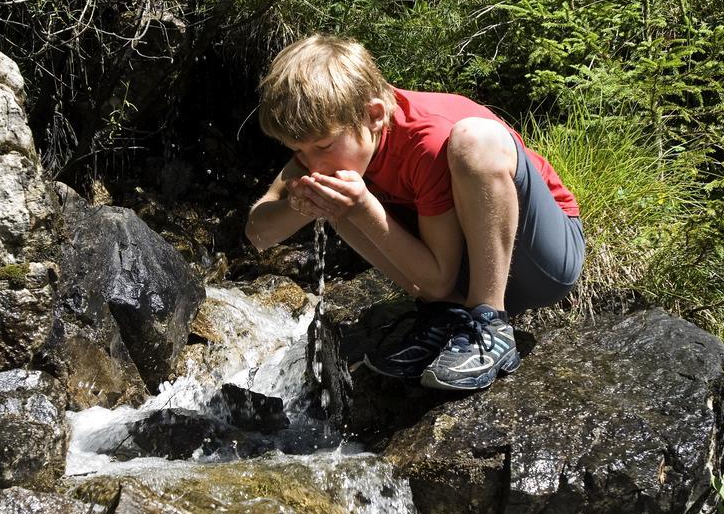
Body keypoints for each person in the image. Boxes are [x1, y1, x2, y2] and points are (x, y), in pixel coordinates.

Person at [245, 34, 585, 391]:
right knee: (339, 205)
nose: (313, 162)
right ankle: (448, 315)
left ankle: (488, 322)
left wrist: (363, 207)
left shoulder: (424, 139)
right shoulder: (326, 139)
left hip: (540, 258)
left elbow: (437, 276)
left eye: (323, 146)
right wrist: (303, 206)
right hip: (460, 267)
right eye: (298, 150)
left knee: (474, 140)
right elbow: (258, 233)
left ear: (373, 115)